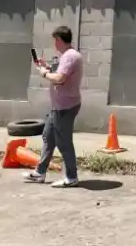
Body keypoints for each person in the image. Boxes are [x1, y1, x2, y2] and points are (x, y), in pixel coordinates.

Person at [24, 25, 84, 188]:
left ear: (58, 40)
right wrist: (48, 67)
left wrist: (44, 73)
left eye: (54, 40)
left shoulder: (70, 56)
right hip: (59, 106)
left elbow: (59, 79)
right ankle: (40, 172)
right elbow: (60, 73)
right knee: (48, 137)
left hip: (65, 107)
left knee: (63, 142)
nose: (54, 44)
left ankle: (71, 177)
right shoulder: (67, 56)